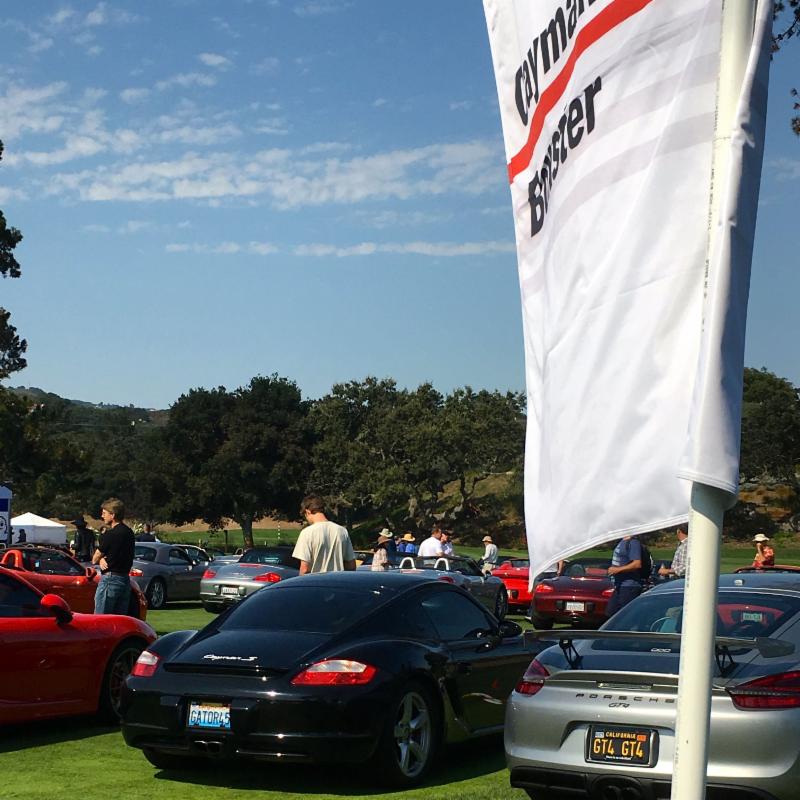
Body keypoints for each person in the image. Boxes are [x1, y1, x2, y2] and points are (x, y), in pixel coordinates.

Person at [292, 494, 356, 574]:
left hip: (316, 581)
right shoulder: (342, 531)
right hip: (338, 580)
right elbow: (351, 565)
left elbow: (305, 569)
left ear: (308, 512)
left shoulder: (306, 533)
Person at [92, 497, 135, 615]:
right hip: (125, 580)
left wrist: (100, 559)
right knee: (118, 620)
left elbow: (94, 558)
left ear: (113, 515)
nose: (102, 516)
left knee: (101, 619)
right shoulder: (129, 533)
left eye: (104, 513)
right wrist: (102, 559)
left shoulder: (110, 534)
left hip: (110, 579)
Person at [606, 535, 645, 615]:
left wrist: (617, 570)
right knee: (611, 612)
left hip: (629, 586)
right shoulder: (622, 541)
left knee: (625, 615)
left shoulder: (633, 542)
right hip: (619, 585)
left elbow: (637, 564)